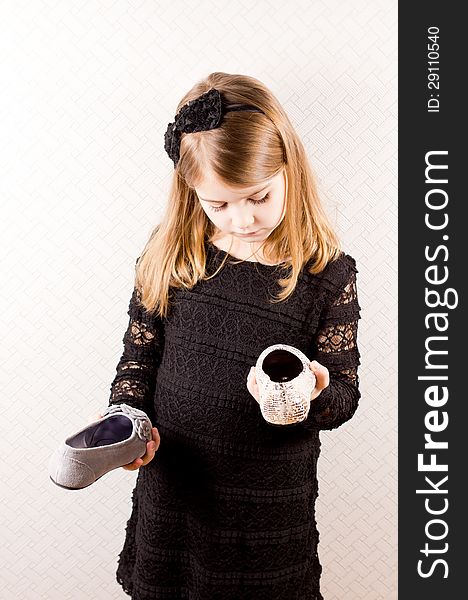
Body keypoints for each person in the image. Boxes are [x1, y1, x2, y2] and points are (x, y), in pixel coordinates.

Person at [104, 72, 362, 600]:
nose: (243, 219)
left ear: (289, 169)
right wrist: (127, 421)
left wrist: (313, 392)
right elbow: (138, 359)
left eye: (258, 197)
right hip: (176, 492)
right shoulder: (173, 256)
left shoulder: (326, 274)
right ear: (190, 191)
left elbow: (343, 395)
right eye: (218, 205)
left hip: (265, 506)